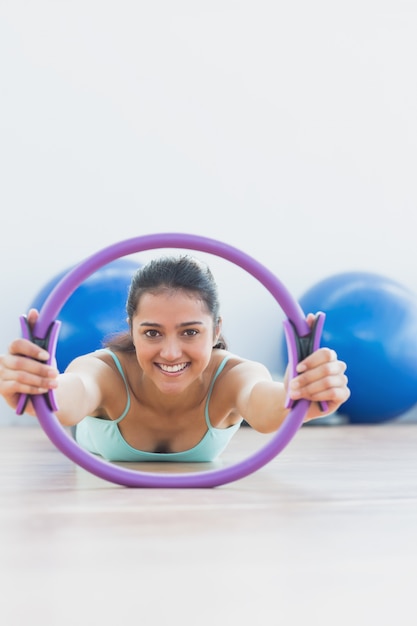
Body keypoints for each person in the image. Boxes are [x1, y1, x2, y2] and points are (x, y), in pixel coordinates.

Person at [0, 255, 349, 462]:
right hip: (91, 438)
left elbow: (268, 407)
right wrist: (39, 387)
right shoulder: (103, 370)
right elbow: (69, 396)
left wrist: (300, 391)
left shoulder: (236, 375)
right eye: (152, 332)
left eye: (190, 332)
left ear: (215, 331)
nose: (170, 352)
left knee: (268, 377)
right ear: (132, 329)